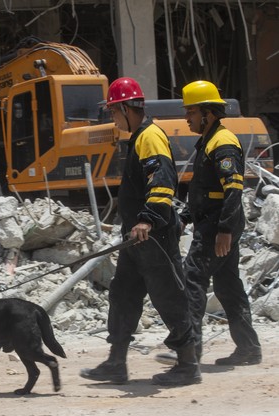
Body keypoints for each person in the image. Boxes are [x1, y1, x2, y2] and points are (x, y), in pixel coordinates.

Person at [79, 77, 201, 386]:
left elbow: (161, 181)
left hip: (153, 236)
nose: (111, 118)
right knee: (123, 295)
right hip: (136, 237)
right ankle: (116, 362)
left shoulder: (150, 136)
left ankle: (187, 364)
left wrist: (148, 219)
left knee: (168, 297)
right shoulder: (139, 137)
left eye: (112, 112)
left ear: (124, 108)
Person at [178, 80, 261, 365]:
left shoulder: (222, 142)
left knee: (193, 278)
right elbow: (205, 190)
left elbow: (233, 189)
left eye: (191, 112)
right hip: (214, 221)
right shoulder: (210, 140)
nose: (187, 118)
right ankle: (249, 349)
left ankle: (189, 353)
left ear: (208, 113)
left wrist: (224, 229)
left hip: (217, 225)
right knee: (227, 286)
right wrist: (186, 217)